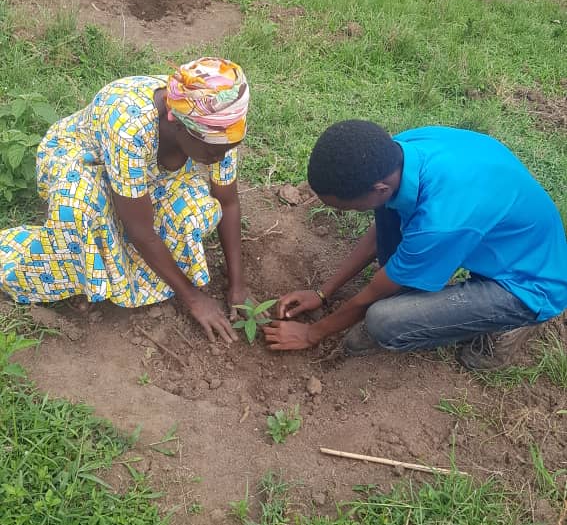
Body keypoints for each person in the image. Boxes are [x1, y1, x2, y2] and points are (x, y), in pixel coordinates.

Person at [264, 121, 567, 370]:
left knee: (383, 320)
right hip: (500, 234)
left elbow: (371, 295)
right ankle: (418, 277)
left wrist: (312, 333)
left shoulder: (441, 221)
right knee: (388, 217)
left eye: (351, 208)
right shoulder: (399, 152)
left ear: (379, 188)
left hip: (528, 285)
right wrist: (322, 292)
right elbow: (381, 226)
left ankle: (507, 328)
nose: (353, 213)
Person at [0, 57, 252, 344]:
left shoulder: (219, 121)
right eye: (213, 151)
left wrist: (237, 285)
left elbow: (227, 201)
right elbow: (141, 232)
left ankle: (127, 261)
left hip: (145, 175)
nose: (219, 158)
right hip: (88, 163)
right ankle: (43, 273)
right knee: (80, 210)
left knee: (197, 211)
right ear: (180, 126)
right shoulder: (130, 124)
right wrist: (194, 298)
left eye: (227, 149)